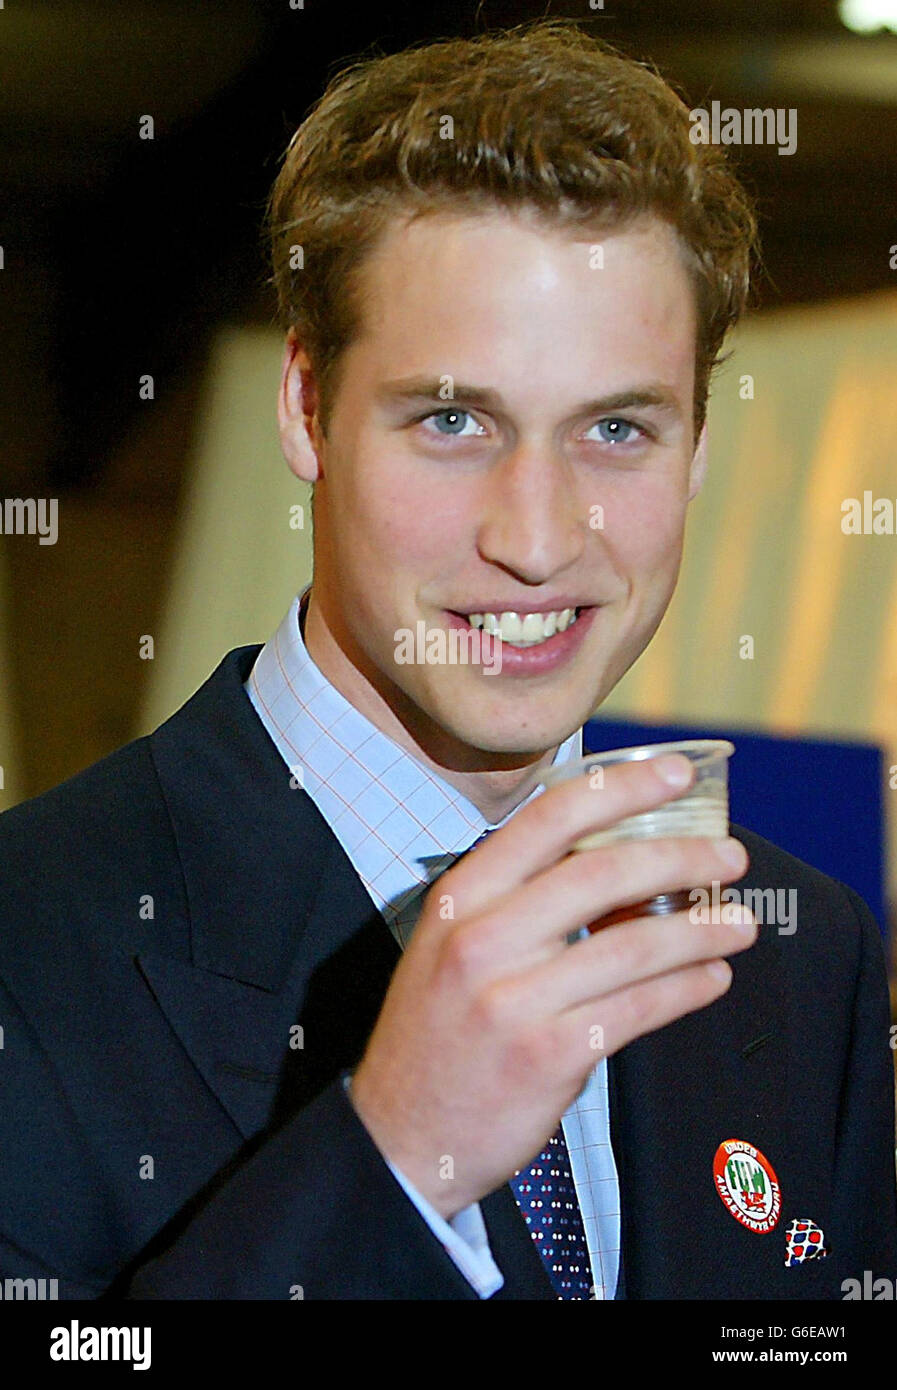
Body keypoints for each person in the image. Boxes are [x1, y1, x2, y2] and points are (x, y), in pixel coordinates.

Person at [0, 19, 894, 1302]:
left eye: (617, 428)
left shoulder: (798, 955)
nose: (536, 541)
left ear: (698, 445)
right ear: (307, 410)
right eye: (454, 419)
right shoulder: (31, 945)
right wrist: (398, 1158)